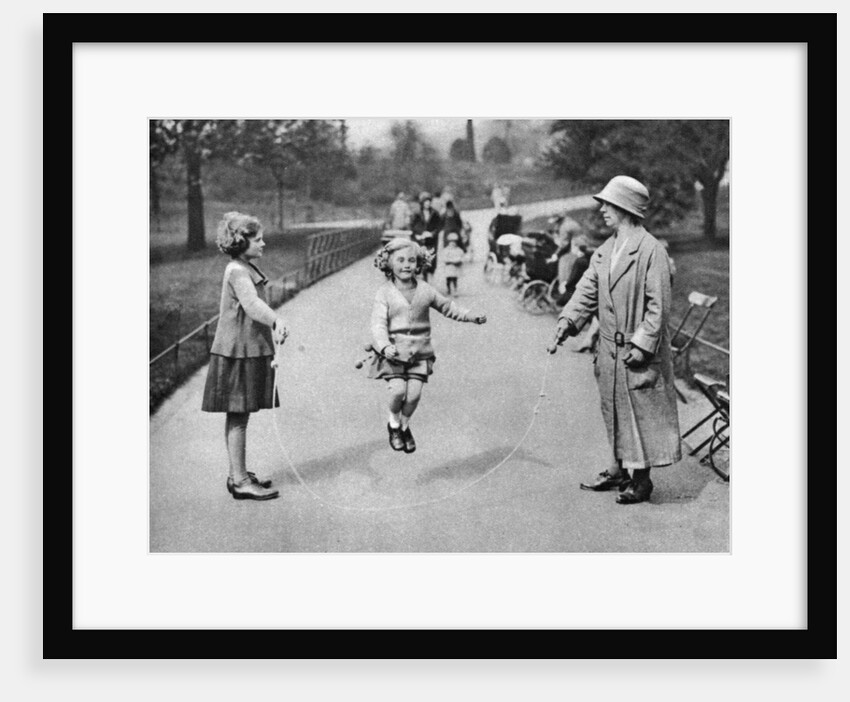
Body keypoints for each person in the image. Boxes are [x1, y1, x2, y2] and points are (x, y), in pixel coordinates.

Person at [551, 176, 681, 505]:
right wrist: (568, 321)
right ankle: (619, 468)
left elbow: (659, 307)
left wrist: (642, 344)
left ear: (624, 207)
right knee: (615, 411)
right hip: (608, 349)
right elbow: (587, 290)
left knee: (641, 413)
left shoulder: (651, 250)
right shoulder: (606, 249)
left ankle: (642, 480)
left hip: (636, 350)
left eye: (608, 204)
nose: (602, 209)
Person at [368, 237, 487, 453]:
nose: (406, 265)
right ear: (389, 264)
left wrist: (470, 316)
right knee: (397, 392)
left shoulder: (425, 290)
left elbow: (448, 307)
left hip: (420, 353)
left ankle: (405, 426)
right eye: (401, 260)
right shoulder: (384, 292)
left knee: (413, 396)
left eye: (411, 260)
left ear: (419, 263)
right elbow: (377, 324)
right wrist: (384, 346)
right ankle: (393, 424)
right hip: (394, 353)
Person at [202, 212, 289, 501]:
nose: (263, 243)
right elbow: (251, 304)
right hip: (237, 352)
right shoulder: (238, 271)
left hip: (246, 349)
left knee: (242, 414)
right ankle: (239, 480)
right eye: (258, 239)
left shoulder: (243, 267)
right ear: (242, 241)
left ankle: (237, 473)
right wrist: (276, 320)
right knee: (238, 415)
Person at [410, 192, 441, 282]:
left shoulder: (435, 213)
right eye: (425, 201)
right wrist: (417, 235)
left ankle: (430, 283)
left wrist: (432, 234)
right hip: (420, 241)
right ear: (422, 203)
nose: (427, 203)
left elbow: (439, 226)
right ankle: (422, 281)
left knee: (431, 260)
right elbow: (412, 226)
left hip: (431, 241)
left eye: (429, 201)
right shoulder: (417, 214)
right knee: (420, 261)